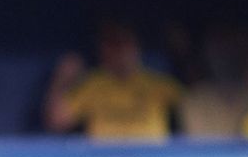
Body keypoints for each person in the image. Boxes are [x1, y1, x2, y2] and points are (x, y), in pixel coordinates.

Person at [45, 23, 182, 141]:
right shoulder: (92, 84)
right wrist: (63, 79)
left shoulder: (158, 84)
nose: (119, 51)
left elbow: (194, 110)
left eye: (124, 43)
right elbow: (57, 121)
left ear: (136, 47)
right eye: (112, 44)